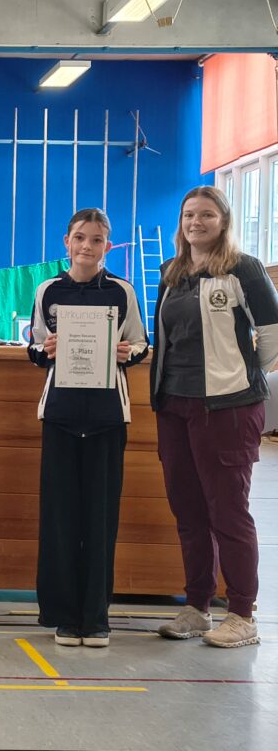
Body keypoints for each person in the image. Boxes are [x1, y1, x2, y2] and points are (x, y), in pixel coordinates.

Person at [152, 186, 278, 648]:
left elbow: (272, 333)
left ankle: (242, 614)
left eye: (206, 214)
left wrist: (241, 375)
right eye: (189, 214)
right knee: (188, 510)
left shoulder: (243, 268)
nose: (196, 222)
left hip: (227, 408)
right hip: (174, 405)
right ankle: (197, 607)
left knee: (228, 511)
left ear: (223, 221)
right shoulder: (171, 272)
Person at [28, 208, 148, 648]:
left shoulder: (122, 290)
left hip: (106, 419)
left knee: (100, 520)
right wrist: (45, 349)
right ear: (67, 241)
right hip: (60, 417)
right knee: (60, 519)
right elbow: (34, 347)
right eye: (80, 237)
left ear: (107, 246)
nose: (87, 246)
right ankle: (63, 616)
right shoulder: (48, 290)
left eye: (96, 240)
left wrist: (127, 353)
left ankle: (95, 617)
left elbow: (141, 343)